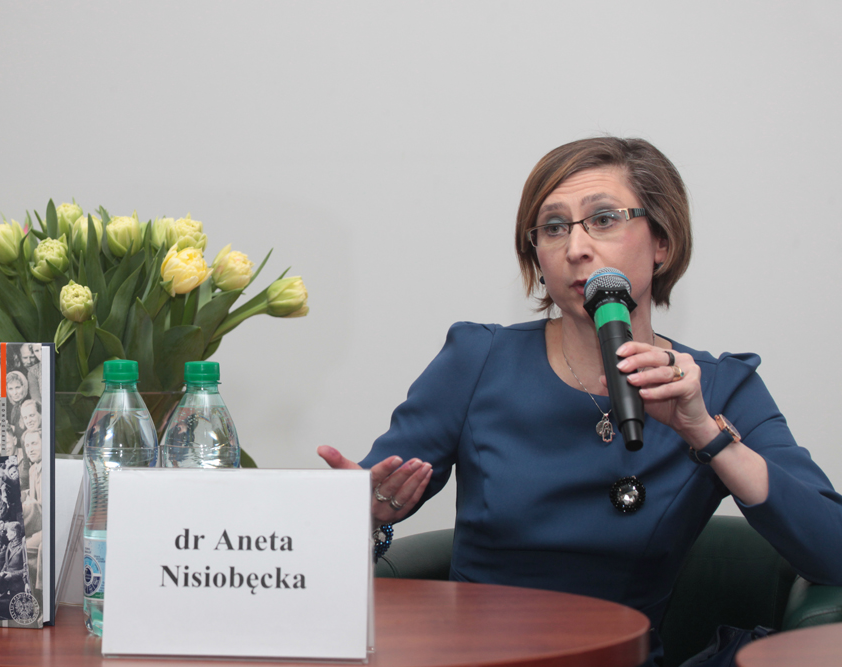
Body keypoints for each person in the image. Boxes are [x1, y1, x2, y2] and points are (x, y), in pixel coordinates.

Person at [318, 137, 842, 667]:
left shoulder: (717, 387)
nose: (576, 248)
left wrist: (706, 433)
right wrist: (363, 515)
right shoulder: (477, 361)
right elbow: (364, 501)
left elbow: (834, 550)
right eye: (553, 227)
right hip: (478, 659)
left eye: (604, 220)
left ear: (662, 242)